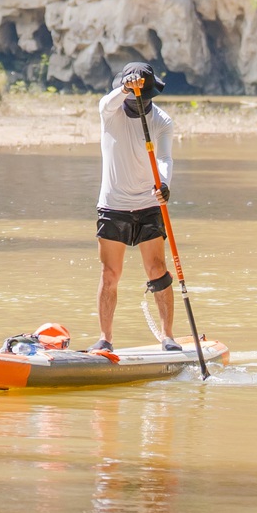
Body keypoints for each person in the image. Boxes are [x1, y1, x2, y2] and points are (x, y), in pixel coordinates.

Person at [92, 61, 178, 354]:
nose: (139, 105)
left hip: (148, 203)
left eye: (144, 99)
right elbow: (106, 101)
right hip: (113, 205)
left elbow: (165, 159)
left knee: (158, 270)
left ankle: (168, 337)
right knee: (109, 275)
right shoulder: (110, 111)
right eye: (132, 98)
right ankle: (105, 339)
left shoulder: (162, 121)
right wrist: (127, 86)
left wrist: (163, 184)